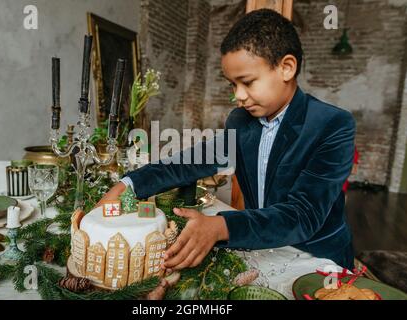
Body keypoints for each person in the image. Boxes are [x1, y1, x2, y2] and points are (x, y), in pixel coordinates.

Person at [97, 9, 356, 270]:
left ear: (286, 68)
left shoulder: (332, 125)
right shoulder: (241, 121)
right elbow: (188, 163)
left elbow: (302, 215)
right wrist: (128, 185)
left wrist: (222, 226)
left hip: (317, 259)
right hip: (260, 247)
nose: (239, 96)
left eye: (247, 82)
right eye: (233, 84)